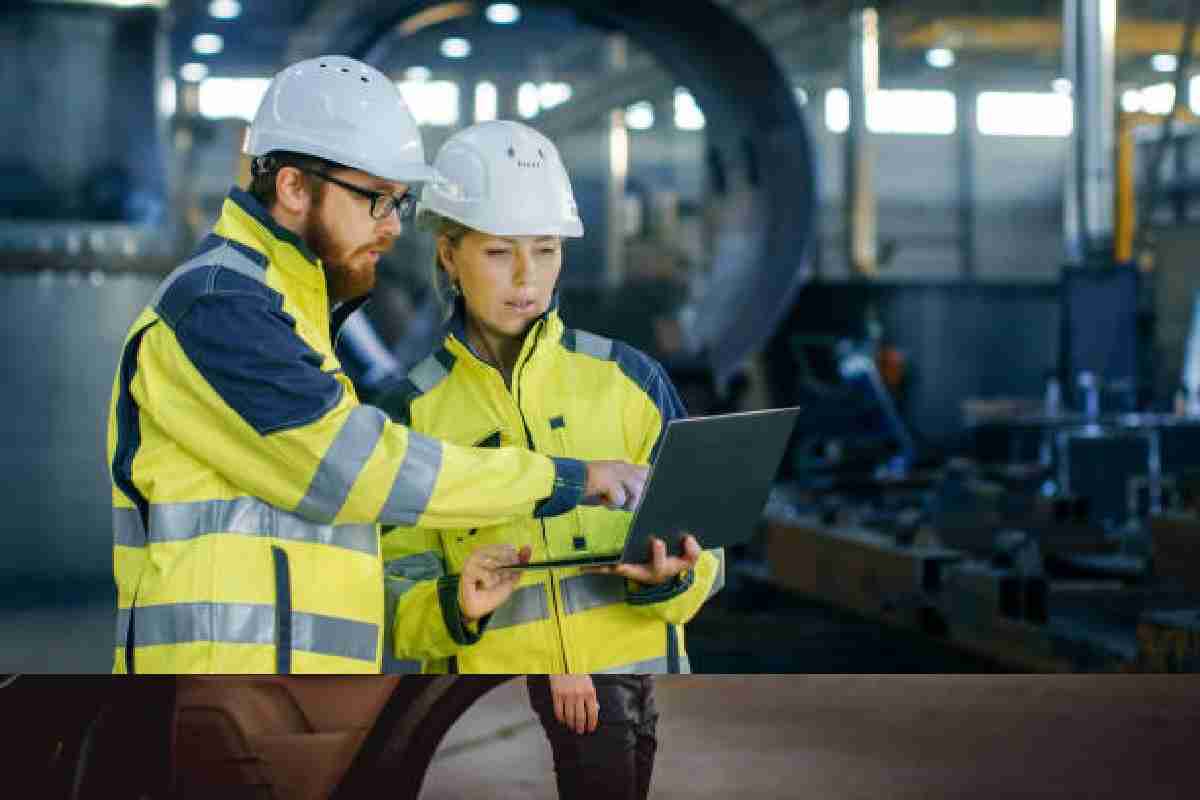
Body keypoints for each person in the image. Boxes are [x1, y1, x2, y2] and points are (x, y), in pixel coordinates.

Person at [105, 56, 647, 675]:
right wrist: (561, 480)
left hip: (281, 686)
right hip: (218, 685)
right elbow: (357, 470)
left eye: (399, 203)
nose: (392, 228)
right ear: (292, 187)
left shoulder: (291, 309)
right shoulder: (220, 305)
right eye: (376, 200)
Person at [377, 121, 725, 799]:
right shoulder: (411, 414)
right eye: (500, 252)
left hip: (624, 687)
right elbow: (396, 594)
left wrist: (670, 577)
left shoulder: (631, 380)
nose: (526, 277)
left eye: (544, 250)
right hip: (478, 699)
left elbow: (708, 556)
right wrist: (456, 604)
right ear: (449, 254)